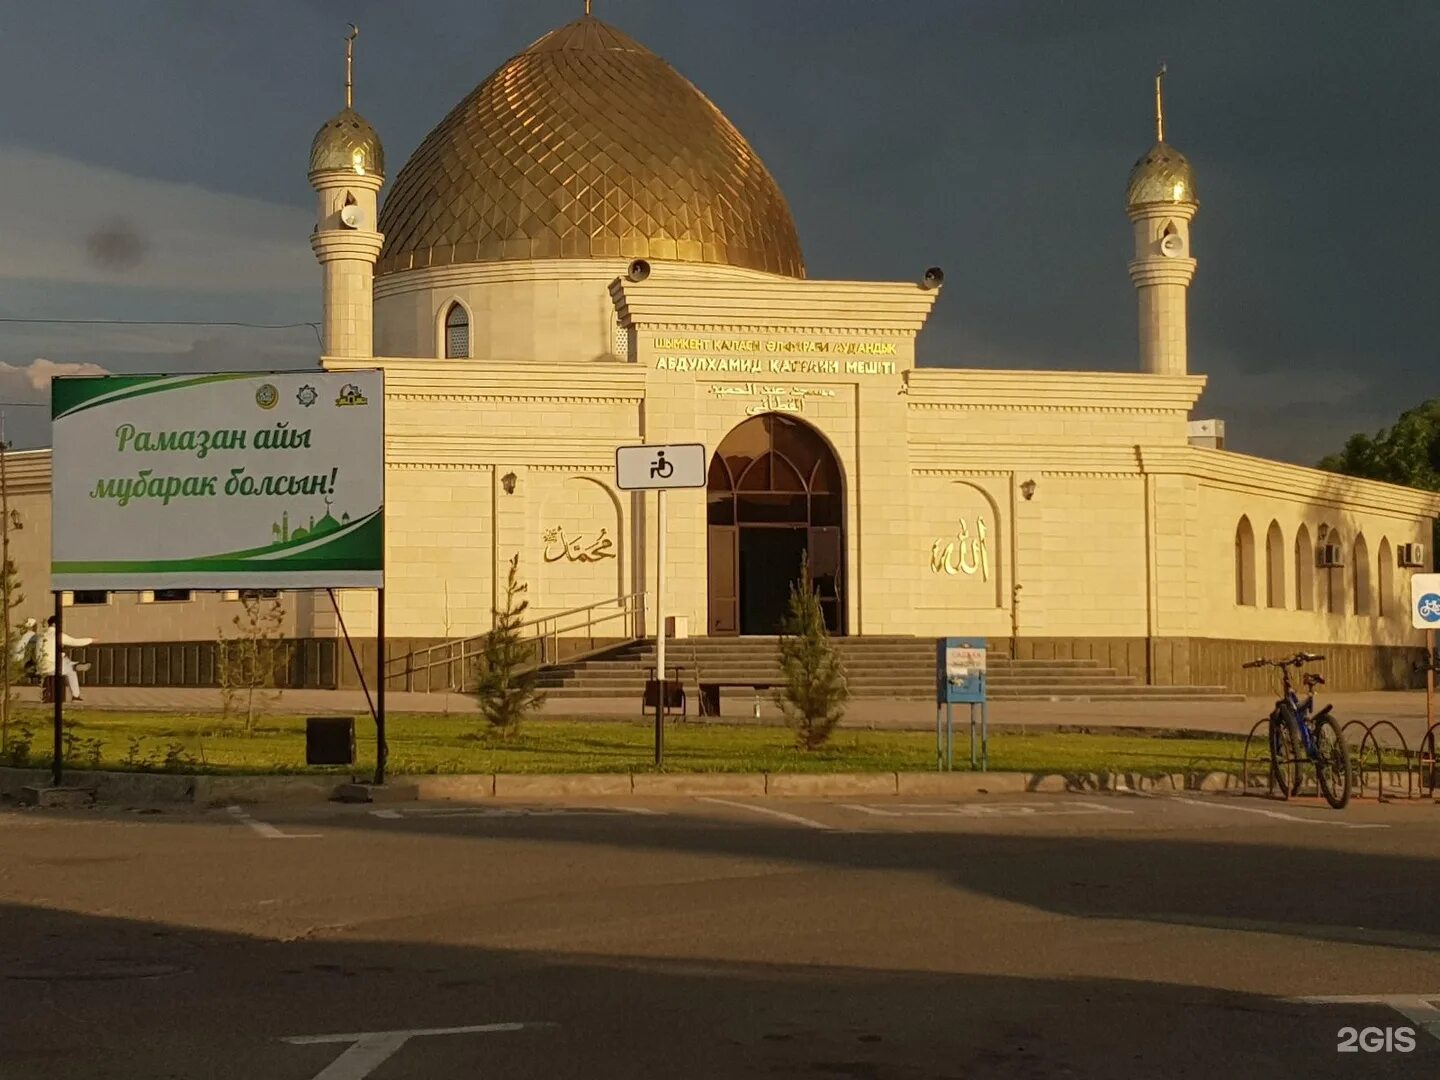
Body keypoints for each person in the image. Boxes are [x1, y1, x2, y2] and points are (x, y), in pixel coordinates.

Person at [36, 616, 93, 702]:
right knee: (71, 672)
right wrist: (91, 640)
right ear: (55, 624)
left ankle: (74, 664)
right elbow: (75, 642)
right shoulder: (58, 635)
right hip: (53, 666)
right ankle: (76, 696)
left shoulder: (41, 636)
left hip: (41, 667)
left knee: (63, 659)